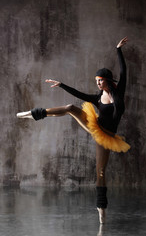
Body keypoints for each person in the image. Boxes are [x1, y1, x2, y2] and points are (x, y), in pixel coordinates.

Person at [17, 37, 130, 224]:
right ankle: (33, 113)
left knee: (101, 172)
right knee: (70, 107)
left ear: (107, 80)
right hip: (95, 126)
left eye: (100, 81)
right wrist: (62, 85)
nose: (98, 84)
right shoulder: (97, 97)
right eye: (96, 81)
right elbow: (80, 94)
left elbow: (124, 72)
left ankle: (101, 209)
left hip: (106, 137)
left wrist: (118, 50)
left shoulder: (118, 93)